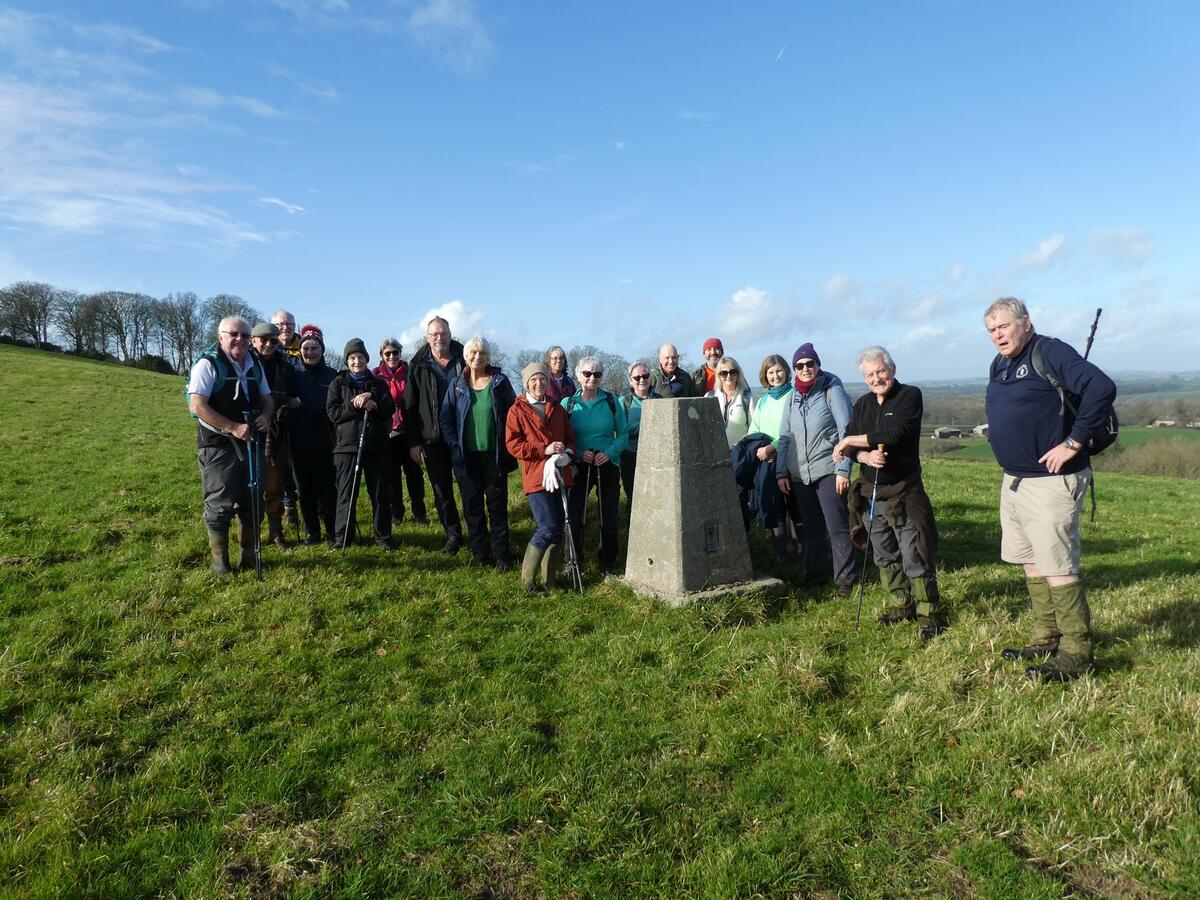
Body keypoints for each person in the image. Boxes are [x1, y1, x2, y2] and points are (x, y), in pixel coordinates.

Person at [984, 297, 1116, 682]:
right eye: (991, 330)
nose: (997, 335)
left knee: (1057, 565)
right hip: (1015, 479)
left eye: (1004, 326)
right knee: (1031, 561)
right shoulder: (1000, 364)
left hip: (1052, 481)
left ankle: (1077, 653)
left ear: (1026, 323)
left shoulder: (1050, 352)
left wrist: (1073, 443)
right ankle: (1046, 637)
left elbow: (1101, 386)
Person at [834, 346, 944, 640]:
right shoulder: (863, 404)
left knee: (913, 552)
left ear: (892, 369)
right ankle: (901, 604)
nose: (876, 378)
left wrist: (851, 442)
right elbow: (850, 443)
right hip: (871, 494)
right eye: (870, 374)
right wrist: (863, 456)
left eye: (880, 371)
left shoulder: (909, 396)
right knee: (884, 553)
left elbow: (895, 434)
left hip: (904, 492)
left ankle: (929, 613)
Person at [186, 316, 273, 575]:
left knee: (253, 501)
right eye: (234, 334)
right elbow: (197, 405)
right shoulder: (208, 364)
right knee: (219, 504)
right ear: (220, 336)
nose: (240, 339)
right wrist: (233, 427)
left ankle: (249, 557)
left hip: (252, 444)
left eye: (245, 336)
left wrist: (266, 416)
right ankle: (220, 564)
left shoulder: (255, 364)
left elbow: (268, 399)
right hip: (218, 447)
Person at [774, 343, 856, 595]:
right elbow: (785, 437)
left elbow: (847, 432)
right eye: (799, 365)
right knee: (811, 529)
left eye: (810, 363)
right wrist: (781, 471)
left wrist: (843, 470)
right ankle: (815, 575)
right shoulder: (792, 397)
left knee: (836, 526)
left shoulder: (832, 391)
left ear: (818, 365)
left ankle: (845, 581)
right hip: (800, 473)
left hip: (829, 469)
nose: (805, 368)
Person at [440, 336, 517, 568]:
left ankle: (502, 555)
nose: (477, 357)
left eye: (482, 353)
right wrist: (454, 445)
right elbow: (446, 417)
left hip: (495, 455)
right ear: (466, 356)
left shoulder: (500, 382)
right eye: (473, 352)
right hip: (466, 457)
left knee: (497, 507)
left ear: (488, 357)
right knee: (472, 508)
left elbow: (513, 415)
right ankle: (480, 554)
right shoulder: (457, 385)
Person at [506, 362, 577, 591]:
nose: (539, 383)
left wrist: (567, 454)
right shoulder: (517, 410)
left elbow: (570, 438)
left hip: (560, 474)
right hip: (536, 476)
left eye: (543, 379)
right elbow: (513, 445)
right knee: (547, 527)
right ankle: (527, 583)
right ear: (526, 383)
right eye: (534, 380)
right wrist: (543, 449)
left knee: (558, 530)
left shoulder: (556, 408)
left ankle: (550, 581)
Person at [404, 316, 466, 554]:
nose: (440, 338)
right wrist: (414, 442)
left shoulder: (465, 358)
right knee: (442, 492)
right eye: (435, 334)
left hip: (463, 437)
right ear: (427, 337)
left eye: (444, 333)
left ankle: (477, 534)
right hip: (432, 438)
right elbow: (409, 407)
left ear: (450, 334)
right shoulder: (417, 365)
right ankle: (453, 536)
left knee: (468, 488)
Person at [327, 338, 395, 550]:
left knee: (380, 494)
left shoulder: (379, 384)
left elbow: (389, 409)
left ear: (367, 359)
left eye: (360, 357)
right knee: (346, 495)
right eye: (352, 358)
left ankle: (383, 538)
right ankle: (343, 538)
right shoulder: (337, 383)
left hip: (376, 446)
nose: (357, 361)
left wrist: (374, 404)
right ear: (347, 360)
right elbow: (333, 413)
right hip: (346, 447)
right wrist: (354, 405)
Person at [563, 356, 628, 575]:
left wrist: (609, 454)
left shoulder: (612, 401)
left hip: (607, 464)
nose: (592, 378)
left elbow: (623, 434)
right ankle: (573, 562)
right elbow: (561, 437)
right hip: (578, 465)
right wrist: (580, 454)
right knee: (574, 516)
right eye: (587, 373)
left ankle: (607, 563)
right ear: (578, 375)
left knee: (608, 517)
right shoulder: (568, 404)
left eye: (597, 374)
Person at [250, 321, 300, 548]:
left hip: (276, 433)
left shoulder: (286, 367)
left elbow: (292, 395)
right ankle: (249, 534)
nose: (269, 344)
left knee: (274, 485)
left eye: (273, 341)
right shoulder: (244, 364)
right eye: (264, 340)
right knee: (249, 487)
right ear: (254, 340)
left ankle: (275, 530)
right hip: (248, 432)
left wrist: (289, 405)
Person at [290, 325, 337, 545]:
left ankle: (333, 530)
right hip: (299, 441)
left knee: (327, 488)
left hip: (326, 442)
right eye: (306, 348)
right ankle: (312, 532)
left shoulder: (332, 375)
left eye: (314, 347)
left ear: (322, 349)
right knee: (304, 489)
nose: (310, 352)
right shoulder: (294, 375)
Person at [374, 338, 428, 526]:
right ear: (382, 355)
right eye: (387, 353)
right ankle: (397, 513)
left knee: (414, 474)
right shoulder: (376, 376)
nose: (392, 356)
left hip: (409, 431)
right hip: (388, 433)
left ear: (400, 353)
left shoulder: (410, 372)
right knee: (392, 477)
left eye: (395, 352)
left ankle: (420, 512)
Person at [749, 353, 795, 564]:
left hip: (791, 459)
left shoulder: (794, 396)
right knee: (775, 509)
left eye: (779, 371)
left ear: (786, 371)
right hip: (767, 462)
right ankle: (781, 559)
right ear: (764, 375)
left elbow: (792, 429)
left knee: (795, 509)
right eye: (770, 372)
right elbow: (754, 429)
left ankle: (802, 556)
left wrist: (772, 448)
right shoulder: (763, 401)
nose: (775, 376)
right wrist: (760, 450)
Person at [619, 360, 660, 516]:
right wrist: (648, 423)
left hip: (656, 456)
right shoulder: (624, 402)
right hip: (630, 456)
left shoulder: (661, 400)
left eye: (645, 376)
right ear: (630, 380)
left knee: (655, 496)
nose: (642, 380)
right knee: (633, 496)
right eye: (637, 377)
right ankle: (631, 528)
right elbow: (622, 429)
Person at [706, 355, 752, 450]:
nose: (729, 376)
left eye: (733, 372)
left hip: (740, 453)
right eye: (724, 373)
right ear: (718, 375)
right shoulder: (709, 397)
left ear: (738, 374)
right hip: (715, 452)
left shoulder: (747, 397)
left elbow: (753, 428)